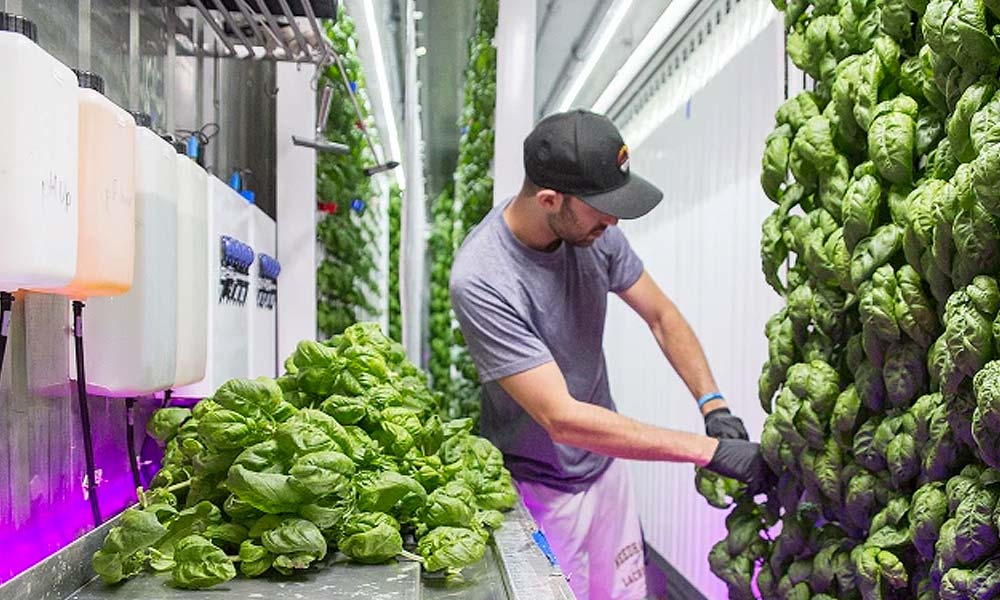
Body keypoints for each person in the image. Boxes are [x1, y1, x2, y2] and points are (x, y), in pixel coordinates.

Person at [449, 109, 774, 600]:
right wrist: (709, 452)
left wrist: (715, 408)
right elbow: (562, 419)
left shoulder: (590, 231)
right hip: (543, 490)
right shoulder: (483, 279)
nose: (614, 220)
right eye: (602, 207)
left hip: (605, 470)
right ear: (549, 199)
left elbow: (661, 316)